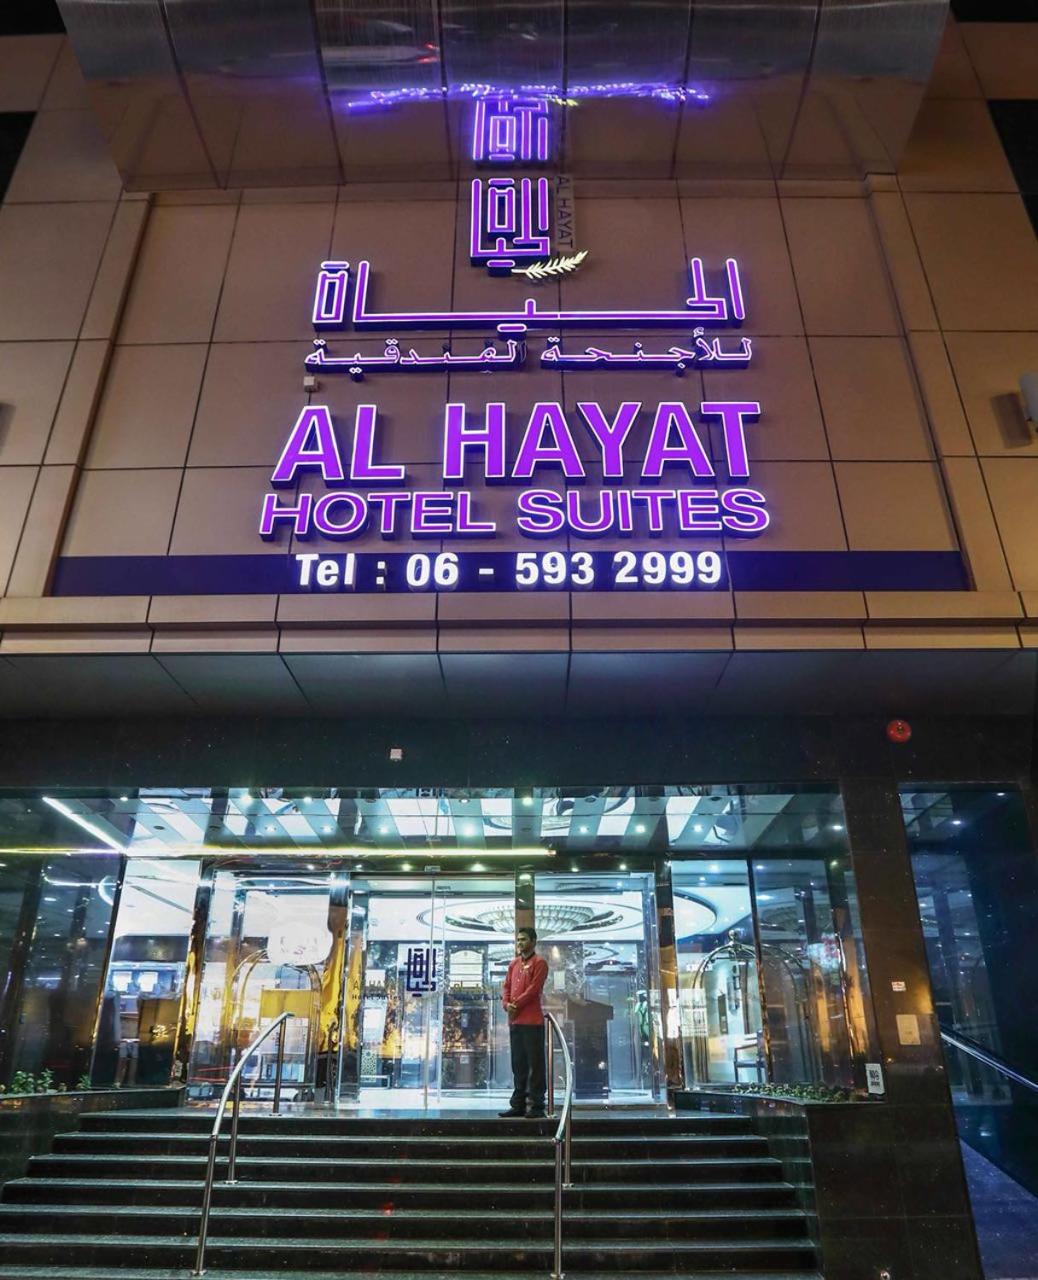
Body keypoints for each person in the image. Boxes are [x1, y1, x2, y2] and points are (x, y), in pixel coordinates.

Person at [499, 926, 549, 1119]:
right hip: (515, 1021)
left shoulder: (540, 963)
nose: (520, 943)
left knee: (535, 1066)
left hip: (532, 1022)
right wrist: (506, 1004)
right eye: (518, 940)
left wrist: (515, 1004)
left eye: (524, 939)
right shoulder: (513, 964)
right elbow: (506, 987)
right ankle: (518, 1104)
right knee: (518, 1064)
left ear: (533, 941)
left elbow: (534, 990)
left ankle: (537, 1106)